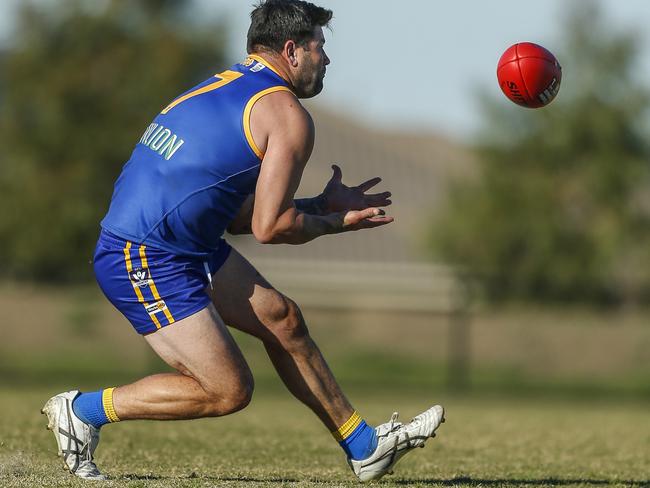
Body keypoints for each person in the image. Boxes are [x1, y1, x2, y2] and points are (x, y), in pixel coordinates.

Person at [41, 0, 444, 481]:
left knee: (282, 319)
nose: (327, 60)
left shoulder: (225, 86)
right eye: (321, 48)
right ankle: (82, 410)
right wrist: (342, 222)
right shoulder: (287, 115)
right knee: (228, 389)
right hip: (145, 255)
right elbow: (269, 228)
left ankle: (365, 447)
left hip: (184, 246)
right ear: (292, 51)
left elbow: (236, 218)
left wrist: (319, 205)